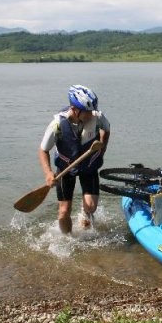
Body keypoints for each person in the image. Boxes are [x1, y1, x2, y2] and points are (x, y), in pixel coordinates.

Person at [39, 85, 110, 234]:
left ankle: (85, 216)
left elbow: (107, 129)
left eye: (92, 110)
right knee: (64, 211)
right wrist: (48, 173)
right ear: (75, 109)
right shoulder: (57, 124)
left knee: (91, 207)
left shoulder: (97, 117)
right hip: (65, 170)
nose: (91, 114)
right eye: (87, 111)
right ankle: (67, 239)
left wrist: (102, 149)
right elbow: (43, 150)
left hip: (89, 167)